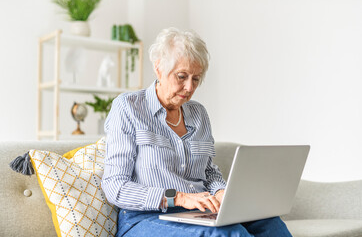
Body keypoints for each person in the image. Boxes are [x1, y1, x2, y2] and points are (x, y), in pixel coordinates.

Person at [102, 27, 292, 237]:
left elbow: (209, 172)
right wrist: (180, 198)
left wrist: (221, 193)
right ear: (158, 68)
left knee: (271, 224)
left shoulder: (198, 114)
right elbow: (115, 186)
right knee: (229, 234)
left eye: (196, 79)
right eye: (181, 76)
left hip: (195, 212)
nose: (189, 87)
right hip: (145, 218)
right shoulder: (128, 108)